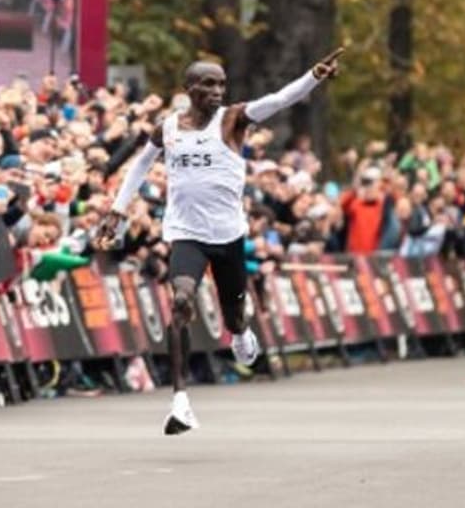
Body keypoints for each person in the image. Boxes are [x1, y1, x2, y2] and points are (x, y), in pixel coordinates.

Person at [95, 48, 345, 435]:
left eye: (222, 84)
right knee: (179, 301)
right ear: (189, 88)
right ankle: (180, 402)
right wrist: (118, 209)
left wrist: (313, 76)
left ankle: (241, 333)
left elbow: (278, 100)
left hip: (228, 235)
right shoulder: (169, 127)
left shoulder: (233, 119)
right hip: (186, 233)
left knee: (234, 316)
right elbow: (142, 163)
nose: (217, 91)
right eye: (208, 84)